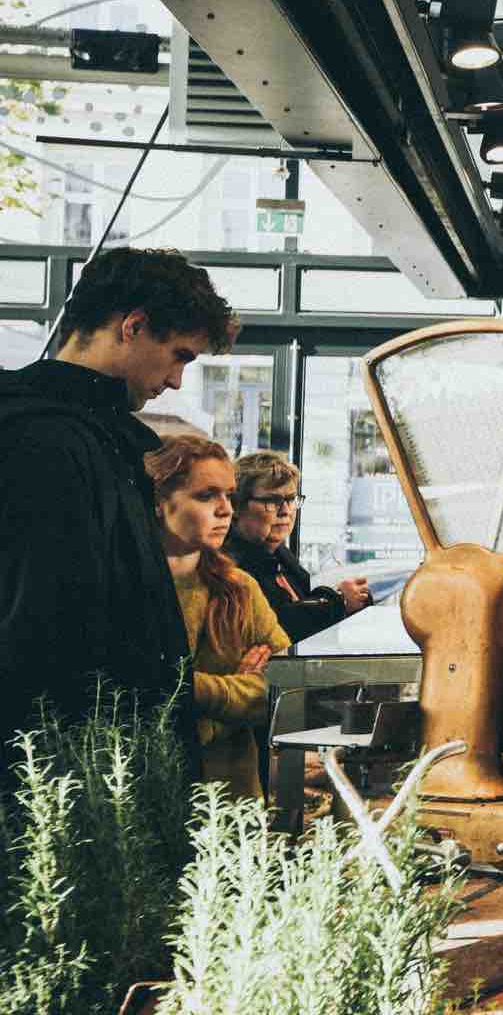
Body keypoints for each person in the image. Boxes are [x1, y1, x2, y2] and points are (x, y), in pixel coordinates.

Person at [0, 248, 237, 771]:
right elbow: (45, 629)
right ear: (133, 326)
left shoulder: (83, 434)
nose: (176, 381)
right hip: (75, 775)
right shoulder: (48, 442)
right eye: (179, 355)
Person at [149, 434, 290, 800]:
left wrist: (192, 690)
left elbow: (284, 689)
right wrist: (234, 692)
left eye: (228, 494)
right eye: (206, 495)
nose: (225, 509)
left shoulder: (239, 588)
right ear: (160, 502)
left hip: (231, 797)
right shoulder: (127, 589)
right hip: (149, 796)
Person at [226, 450, 371, 645]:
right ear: (237, 506)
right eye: (272, 501)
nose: (285, 511)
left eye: (291, 500)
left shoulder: (279, 554)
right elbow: (271, 627)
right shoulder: (228, 563)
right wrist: (338, 601)